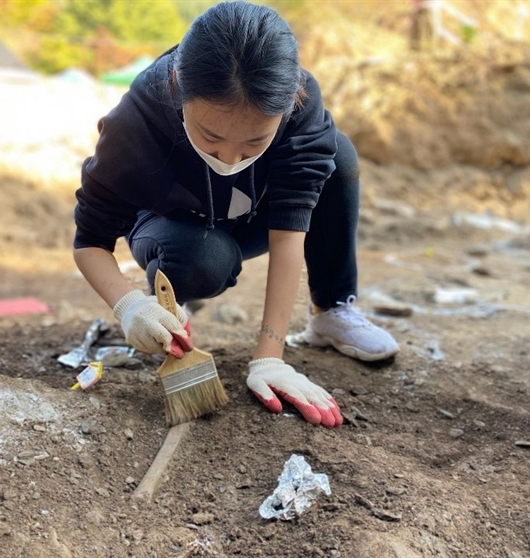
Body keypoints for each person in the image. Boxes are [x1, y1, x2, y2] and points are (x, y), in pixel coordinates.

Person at [73, 1, 399, 429]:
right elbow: (89, 242)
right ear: (177, 85)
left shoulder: (300, 106)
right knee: (201, 258)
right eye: (210, 137)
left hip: (251, 215)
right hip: (172, 224)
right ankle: (168, 298)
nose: (229, 157)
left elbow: (288, 233)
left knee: (337, 154)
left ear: (289, 104)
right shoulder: (136, 121)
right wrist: (128, 304)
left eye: (253, 143)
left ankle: (331, 311)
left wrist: (270, 359)